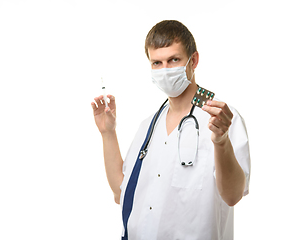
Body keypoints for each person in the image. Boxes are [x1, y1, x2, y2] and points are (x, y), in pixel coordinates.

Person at [91, 20, 250, 240]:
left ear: (193, 61)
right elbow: (122, 192)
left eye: (173, 60)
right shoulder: (149, 125)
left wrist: (221, 141)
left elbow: (232, 196)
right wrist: (108, 133)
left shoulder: (221, 118)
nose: (164, 70)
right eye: (157, 63)